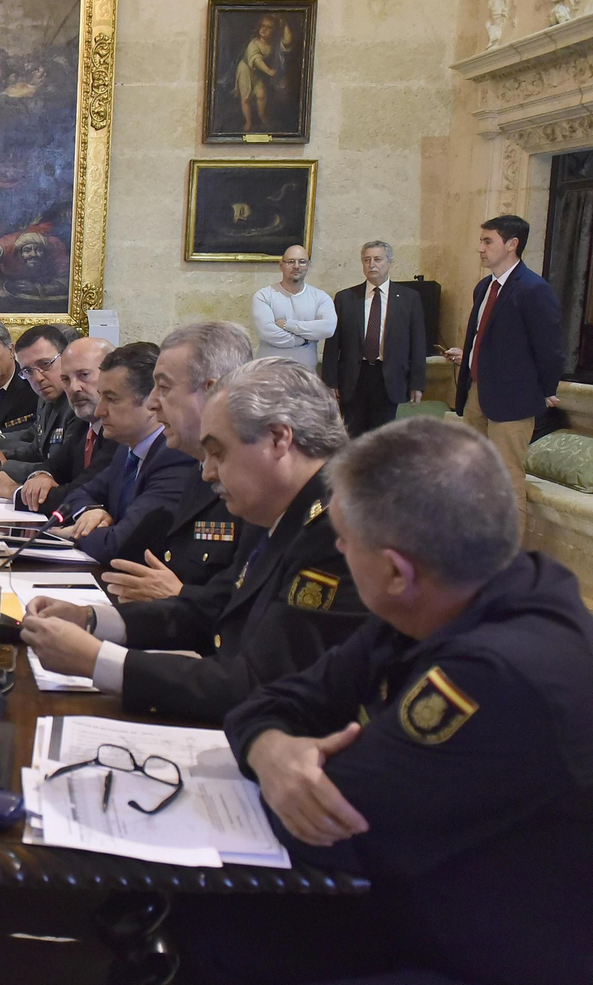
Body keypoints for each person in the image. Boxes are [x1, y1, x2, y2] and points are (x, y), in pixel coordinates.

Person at [195, 418, 593, 984]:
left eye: (345, 540)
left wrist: (275, 749)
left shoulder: (500, 675)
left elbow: (333, 820)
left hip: (484, 952)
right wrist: (270, 749)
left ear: (394, 570)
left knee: (208, 935)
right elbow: (280, 699)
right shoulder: (454, 593)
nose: (337, 550)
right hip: (436, 897)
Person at [21, 358, 369, 724]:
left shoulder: (342, 530)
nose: (206, 471)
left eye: (218, 453)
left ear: (279, 439)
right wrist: (90, 619)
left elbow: (262, 684)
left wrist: (97, 661)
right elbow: (215, 607)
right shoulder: (277, 506)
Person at [101, 320, 252, 601]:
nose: (151, 403)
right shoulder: (196, 462)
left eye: (164, 388)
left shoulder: (252, 480)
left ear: (211, 390)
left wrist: (181, 596)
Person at [444, 214, 564, 522]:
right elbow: (490, 338)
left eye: (488, 241)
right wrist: (469, 357)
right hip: (477, 394)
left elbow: (549, 348)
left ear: (512, 244)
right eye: (481, 241)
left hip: (513, 402)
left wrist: (546, 391)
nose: (480, 248)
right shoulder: (485, 287)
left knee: (507, 481)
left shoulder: (533, 289)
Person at [53, 342, 198, 564]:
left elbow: (121, 546)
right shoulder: (127, 450)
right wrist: (90, 512)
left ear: (150, 402)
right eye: (101, 397)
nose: (100, 411)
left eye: (111, 399)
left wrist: (80, 533)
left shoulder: (175, 455)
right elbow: (78, 494)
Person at [5, 336, 120, 512]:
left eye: (84, 375)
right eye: (66, 379)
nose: (74, 388)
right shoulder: (86, 423)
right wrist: (41, 475)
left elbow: (81, 491)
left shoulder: (120, 430)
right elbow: (54, 465)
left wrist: (13, 492)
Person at [324, 240, 427, 436]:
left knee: (382, 438)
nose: (372, 264)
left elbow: (418, 343)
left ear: (390, 262)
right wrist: (331, 382)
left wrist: (417, 383)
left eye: (378, 259)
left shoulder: (409, 298)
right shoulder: (345, 298)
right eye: (367, 260)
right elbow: (333, 343)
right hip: (354, 377)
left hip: (389, 377)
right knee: (352, 436)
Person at [0, 324, 79, 487]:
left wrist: (4, 464)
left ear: (66, 358)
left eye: (45, 364)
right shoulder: (46, 398)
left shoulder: (77, 405)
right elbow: (37, 448)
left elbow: (63, 473)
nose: (37, 378)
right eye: (28, 371)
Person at [251, 244, 337, 367]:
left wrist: (288, 325)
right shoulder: (263, 296)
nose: (296, 266)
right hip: (269, 372)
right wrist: (304, 339)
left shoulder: (321, 297)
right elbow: (267, 332)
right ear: (281, 265)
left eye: (302, 262)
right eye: (290, 262)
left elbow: (328, 328)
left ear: (308, 265)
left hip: (305, 374)